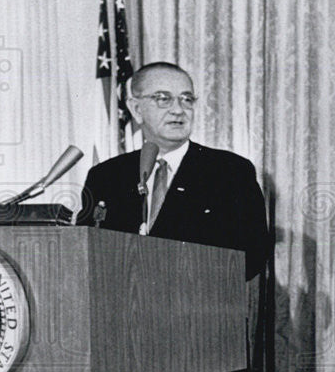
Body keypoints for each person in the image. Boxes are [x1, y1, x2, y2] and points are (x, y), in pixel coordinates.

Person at [78, 62, 267, 279]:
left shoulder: (230, 171)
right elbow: (86, 252)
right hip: (121, 305)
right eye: (163, 99)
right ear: (136, 109)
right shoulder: (106, 176)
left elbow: (253, 255)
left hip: (200, 305)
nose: (178, 110)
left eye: (186, 99)